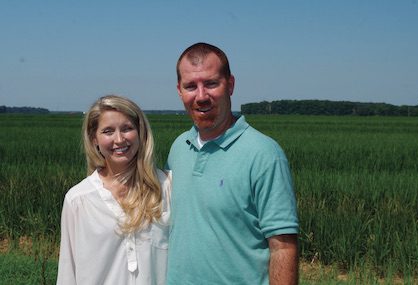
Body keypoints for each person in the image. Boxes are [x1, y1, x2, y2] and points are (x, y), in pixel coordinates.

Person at [165, 42, 299, 285]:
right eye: (191, 86)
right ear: (179, 90)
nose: (201, 96)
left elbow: (283, 248)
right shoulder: (178, 148)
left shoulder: (264, 154)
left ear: (231, 84)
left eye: (211, 83)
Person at [57, 95, 171, 285]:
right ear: (95, 139)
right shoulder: (78, 200)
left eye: (127, 128)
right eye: (108, 131)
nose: (119, 139)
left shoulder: (167, 187)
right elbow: (68, 273)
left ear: (140, 132)